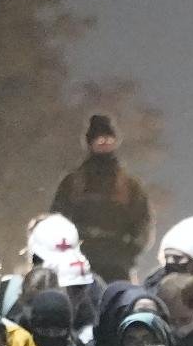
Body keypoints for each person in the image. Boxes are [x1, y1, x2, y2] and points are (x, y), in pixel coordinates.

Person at [51, 114, 154, 284]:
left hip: (117, 265)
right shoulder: (73, 183)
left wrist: (129, 251)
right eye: (100, 140)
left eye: (108, 140)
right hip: (78, 262)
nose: (105, 144)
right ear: (90, 143)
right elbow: (57, 221)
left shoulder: (129, 185)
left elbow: (143, 223)